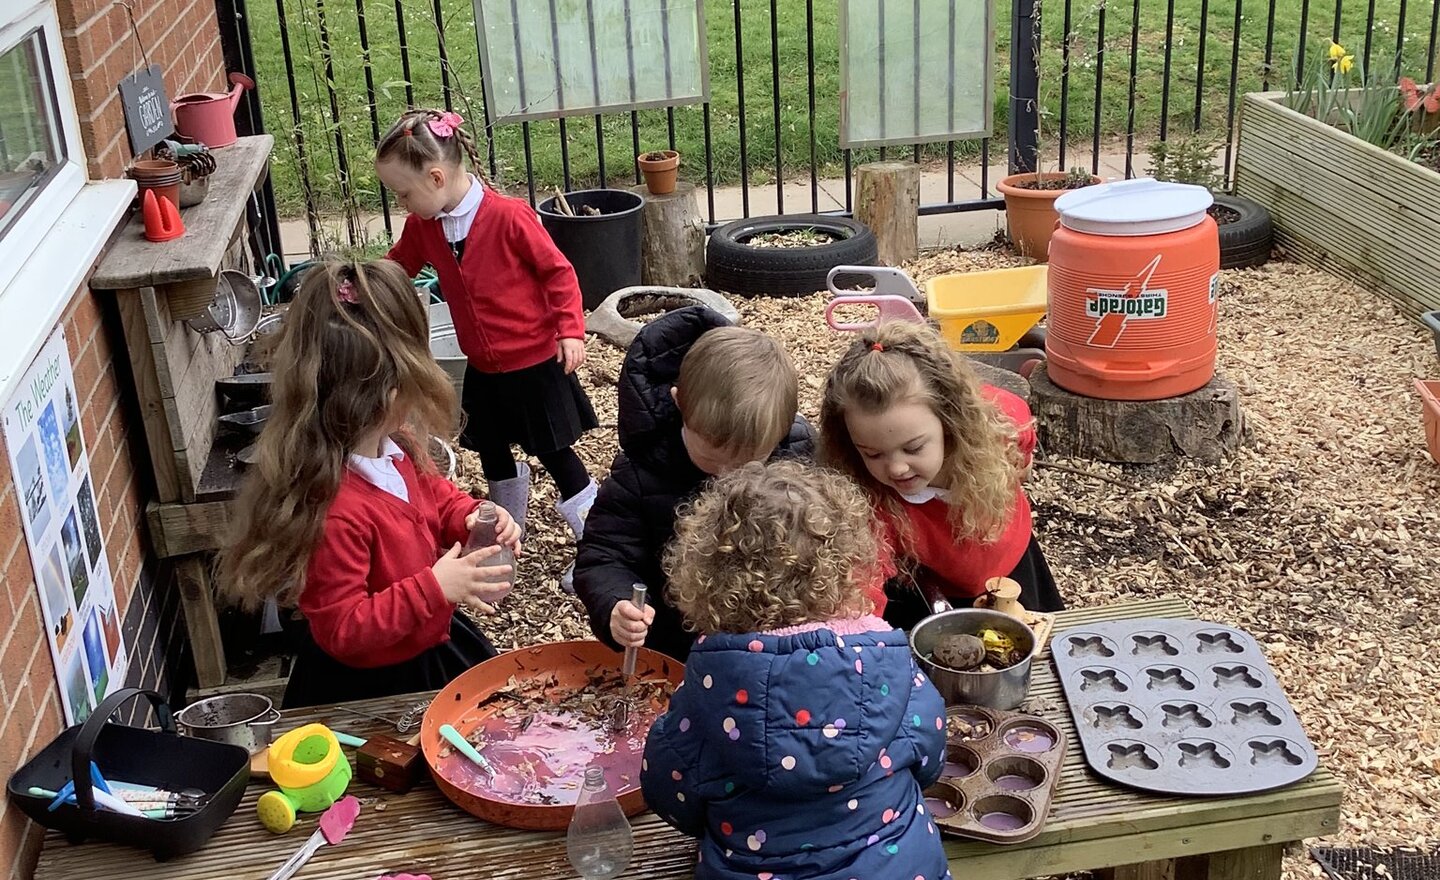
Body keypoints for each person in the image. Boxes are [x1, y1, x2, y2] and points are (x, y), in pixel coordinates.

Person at [219, 260, 521, 707]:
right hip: (373, 686)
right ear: (362, 398)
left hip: (430, 643)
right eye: (406, 386)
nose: (414, 397)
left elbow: (434, 497)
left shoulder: (391, 447)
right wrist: (434, 588)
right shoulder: (334, 509)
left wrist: (468, 515)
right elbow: (343, 627)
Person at [641, 461, 950, 880]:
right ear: (850, 568)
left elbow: (669, 792)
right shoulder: (893, 671)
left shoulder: (707, 694)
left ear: (708, 582)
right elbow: (930, 761)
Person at [374, 108, 597, 583]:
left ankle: (598, 548)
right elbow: (398, 267)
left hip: (535, 365)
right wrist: (361, 287)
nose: (403, 203)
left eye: (404, 193)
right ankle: (504, 539)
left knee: (557, 456)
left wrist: (570, 330)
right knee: (493, 452)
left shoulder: (510, 216)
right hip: (484, 367)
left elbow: (557, 273)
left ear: (436, 177)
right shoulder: (424, 226)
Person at [573, 306, 824, 661]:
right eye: (713, 457)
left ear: (780, 432)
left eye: (747, 462)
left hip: (775, 646)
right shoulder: (642, 473)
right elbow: (603, 555)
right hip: (678, 647)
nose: (726, 475)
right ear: (679, 405)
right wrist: (616, 604)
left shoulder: (797, 456)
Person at [820, 320, 1064, 630]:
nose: (896, 468)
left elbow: (1017, 419)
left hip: (1015, 565)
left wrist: (1023, 460)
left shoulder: (996, 428)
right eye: (873, 453)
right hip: (936, 591)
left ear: (951, 421)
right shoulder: (872, 501)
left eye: (913, 448)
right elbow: (866, 582)